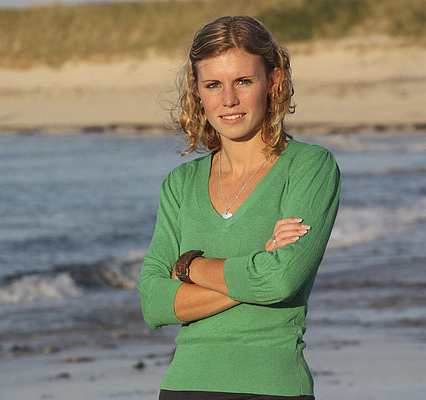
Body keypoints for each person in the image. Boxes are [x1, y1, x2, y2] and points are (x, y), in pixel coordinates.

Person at [137, 15, 340, 400]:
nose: (228, 99)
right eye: (213, 84)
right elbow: (154, 303)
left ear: (273, 80)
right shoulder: (180, 185)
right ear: (197, 91)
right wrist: (257, 265)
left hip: (273, 387)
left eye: (243, 81)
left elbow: (280, 283)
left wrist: (188, 267)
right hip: (183, 385)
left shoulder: (310, 167)